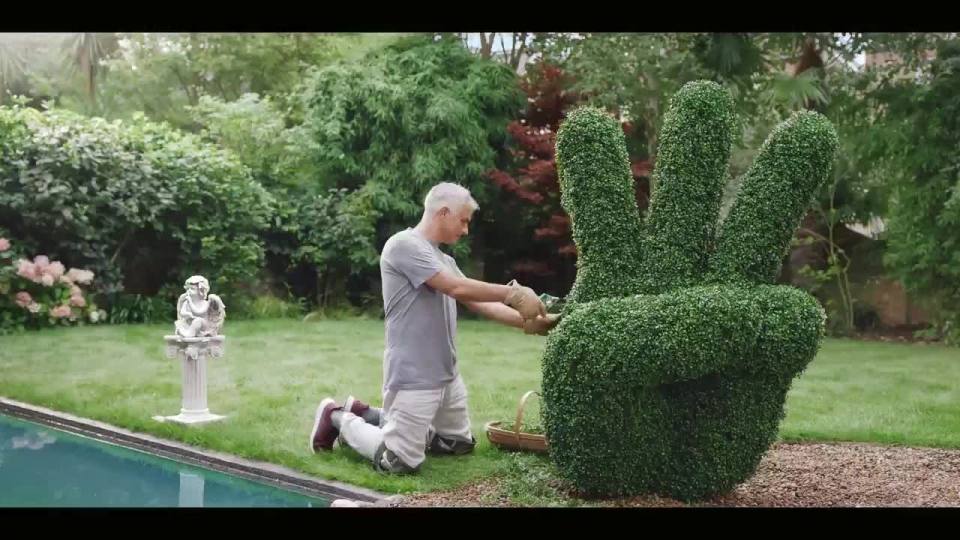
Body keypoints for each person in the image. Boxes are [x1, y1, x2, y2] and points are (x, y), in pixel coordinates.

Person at [309, 182, 560, 473]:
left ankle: (366, 413)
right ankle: (338, 417)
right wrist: (512, 293)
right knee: (398, 463)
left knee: (457, 445)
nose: (466, 230)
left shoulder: (445, 259)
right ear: (443, 212)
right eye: (463, 220)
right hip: (415, 374)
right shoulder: (403, 245)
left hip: (446, 375)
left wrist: (532, 324)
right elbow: (455, 287)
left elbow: (478, 303)